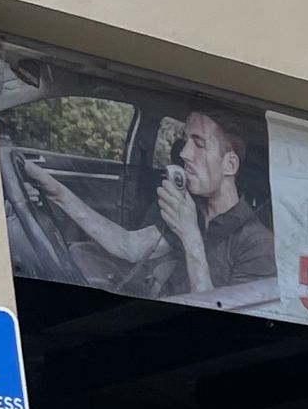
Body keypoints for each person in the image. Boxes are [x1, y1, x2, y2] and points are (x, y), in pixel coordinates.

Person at [24, 108, 275, 295]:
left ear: (230, 164)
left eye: (198, 144)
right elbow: (129, 246)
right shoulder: (192, 209)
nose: (184, 154)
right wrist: (57, 193)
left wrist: (190, 237)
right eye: (186, 142)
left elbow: (217, 323)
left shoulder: (257, 244)